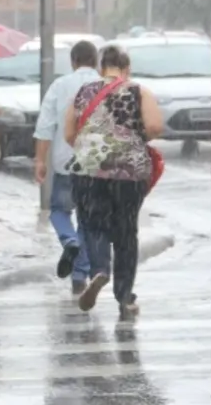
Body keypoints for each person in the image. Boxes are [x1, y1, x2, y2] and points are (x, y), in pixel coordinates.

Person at [63, 45, 163, 320]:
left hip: (88, 169)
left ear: (100, 68)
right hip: (128, 171)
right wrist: (131, 140)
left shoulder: (83, 92)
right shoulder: (138, 90)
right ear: (126, 68)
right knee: (126, 232)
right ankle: (125, 297)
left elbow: (69, 132)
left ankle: (99, 271)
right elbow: (155, 126)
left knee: (93, 225)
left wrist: (91, 148)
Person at [33, 41, 101, 295]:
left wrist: (40, 160)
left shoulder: (60, 86)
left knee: (59, 211)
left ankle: (68, 239)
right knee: (87, 218)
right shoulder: (105, 86)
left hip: (66, 163)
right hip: (96, 165)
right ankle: (79, 276)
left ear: (73, 61)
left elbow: (45, 126)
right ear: (95, 61)